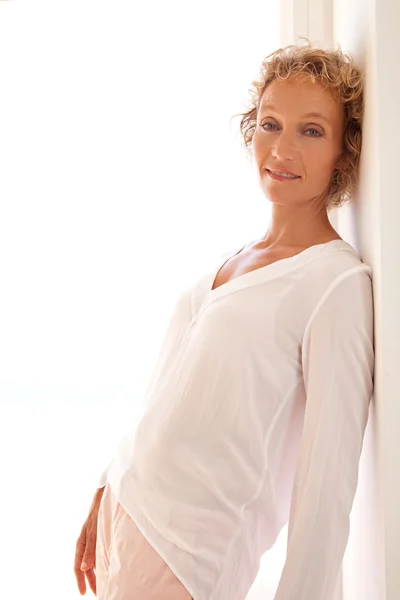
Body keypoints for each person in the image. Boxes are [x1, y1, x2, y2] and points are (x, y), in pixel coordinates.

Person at [74, 41, 374, 600]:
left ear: (343, 151)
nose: (282, 149)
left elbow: (327, 488)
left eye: (311, 131)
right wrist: (104, 487)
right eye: (270, 124)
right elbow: (167, 395)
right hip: (124, 512)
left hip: (186, 560)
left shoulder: (334, 285)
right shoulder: (235, 259)